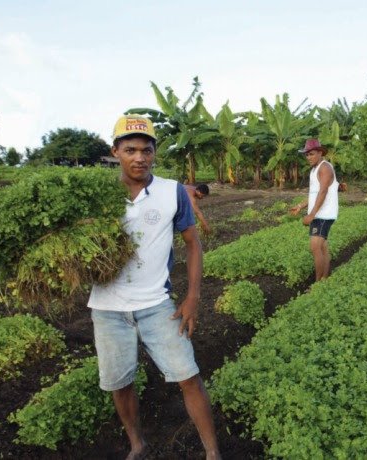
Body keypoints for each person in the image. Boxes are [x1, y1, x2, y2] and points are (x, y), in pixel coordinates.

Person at [87, 115, 221, 460]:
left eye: (146, 150)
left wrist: (192, 297)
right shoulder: (99, 196)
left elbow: (193, 244)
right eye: (130, 149)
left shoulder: (171, 191)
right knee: (120, 383)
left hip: (158, 305)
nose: (139, 157)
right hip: (107, 307)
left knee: (188, 375)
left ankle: (212, 452)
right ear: (115, 151)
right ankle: (137, 444)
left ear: (154, 154)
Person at [290, 138, 339, 281]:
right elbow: (314, 194)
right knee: (322, 247)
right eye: (306, 155)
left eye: (311, 154)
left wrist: (312, 215)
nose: (308, 157)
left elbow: (323, 192)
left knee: (315, 247)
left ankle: (318, 283)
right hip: (319, 214)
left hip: (323, 215)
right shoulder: (314, 170)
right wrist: (301, 206)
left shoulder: (325, 168)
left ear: (320, 153)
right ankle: (324, 279)